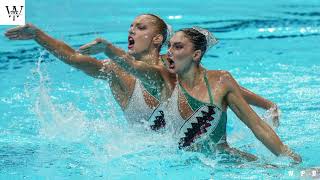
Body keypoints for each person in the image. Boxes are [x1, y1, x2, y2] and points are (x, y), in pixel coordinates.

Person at [5, 14, 279, 126]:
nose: (131, 30)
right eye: (131, 27)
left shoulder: (172, 66)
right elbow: (74, 58)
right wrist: (38, 35)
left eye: (140, 27)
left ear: (158, 39)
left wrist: (267, 105)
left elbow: (218, 85)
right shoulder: (115, 70)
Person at [80, 27, 301, 163]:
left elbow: (257, 126)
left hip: (223, 159)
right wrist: (109, 49)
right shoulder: (164, 78)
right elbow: (133, 66)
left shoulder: (220, 80)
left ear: (195, 54)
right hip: (180, 162)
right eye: (169, 46)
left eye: (177, 47)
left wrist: (291, 159)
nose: (169, 52)